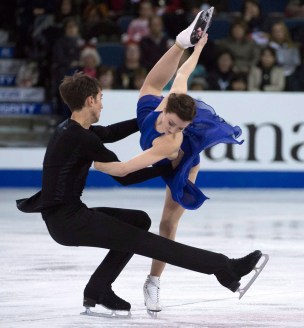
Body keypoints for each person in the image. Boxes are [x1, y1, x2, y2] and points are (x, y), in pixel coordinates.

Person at [16, 14, 268, 319]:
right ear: (90, 100)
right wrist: (164, 166)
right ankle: (225, 269)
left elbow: (109, 133)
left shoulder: (74, 130)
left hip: (67, 216)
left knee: (138, 221)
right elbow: (122, 175)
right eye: (101, 99)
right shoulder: (80, 139)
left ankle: (97, 290)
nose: (103, 103)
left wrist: (154, 116)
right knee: (151, 243)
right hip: (69, 222)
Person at [93, 7, 258, 315]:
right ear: (167, 109)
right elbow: (183, 73)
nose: (175, 130)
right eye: (173, 124)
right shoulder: (165, 102)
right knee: (150, 86)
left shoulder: (171, 141)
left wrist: (94, 162)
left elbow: (128, 168)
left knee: (168, 224)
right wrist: (196, 48)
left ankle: (153, 282)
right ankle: (181, 41)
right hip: (153, 109)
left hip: (182, 165)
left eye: (181, 128)